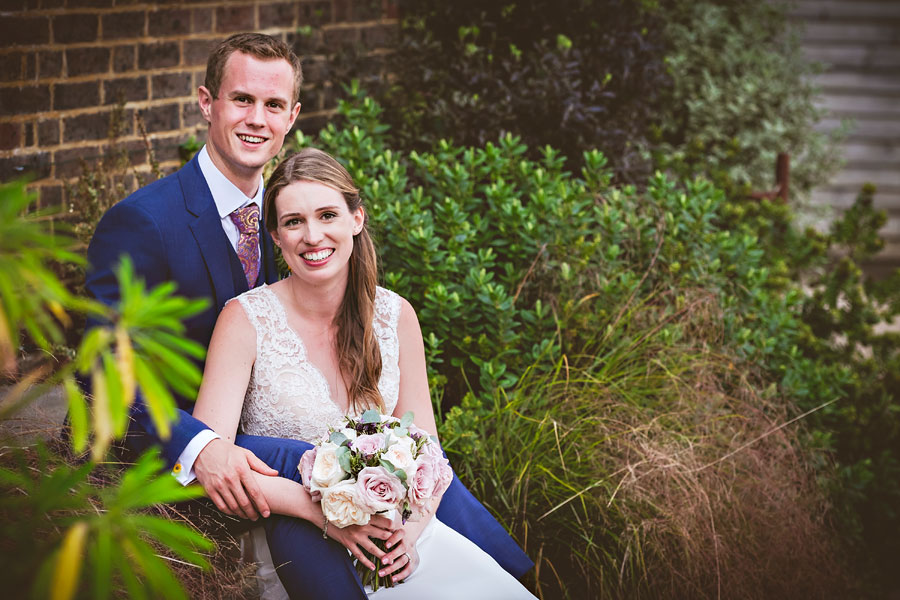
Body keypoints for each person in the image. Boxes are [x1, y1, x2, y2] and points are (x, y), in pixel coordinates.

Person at [83, 32, 532, 599]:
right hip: (199, 467)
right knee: (300, 456)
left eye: (273, 105)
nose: (256, 118)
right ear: (206, 103)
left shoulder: (291, 216)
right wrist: (201, 445)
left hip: (327, 480)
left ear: (292, 117)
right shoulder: (144, 223)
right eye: (241, 99)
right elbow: (99, 377)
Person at [193, 147, 536, 599]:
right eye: (294, 222)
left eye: (328, 215)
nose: (313, 236)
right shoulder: (245, 320)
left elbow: (427, 453)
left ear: (357, 218)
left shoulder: (395, 315)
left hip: (395, 531)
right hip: (295, 534)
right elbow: (211, 462)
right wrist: (322, 513)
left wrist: (408, 539)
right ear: (275, 236)